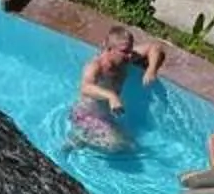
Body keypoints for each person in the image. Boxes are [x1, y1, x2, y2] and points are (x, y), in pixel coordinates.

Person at [71, 25, 167, 153]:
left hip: (108, 114)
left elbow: (155, 47)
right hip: (88, 114)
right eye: (125, 51)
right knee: (121, 145)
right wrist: (111, 96)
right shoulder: (96, 66)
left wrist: (151, 70)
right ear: (109, 49)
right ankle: (80, 138)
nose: (130, 55)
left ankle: (83, 138)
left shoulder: (125, 58)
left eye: (131, 49)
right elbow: (85, 87)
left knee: (130, 145)